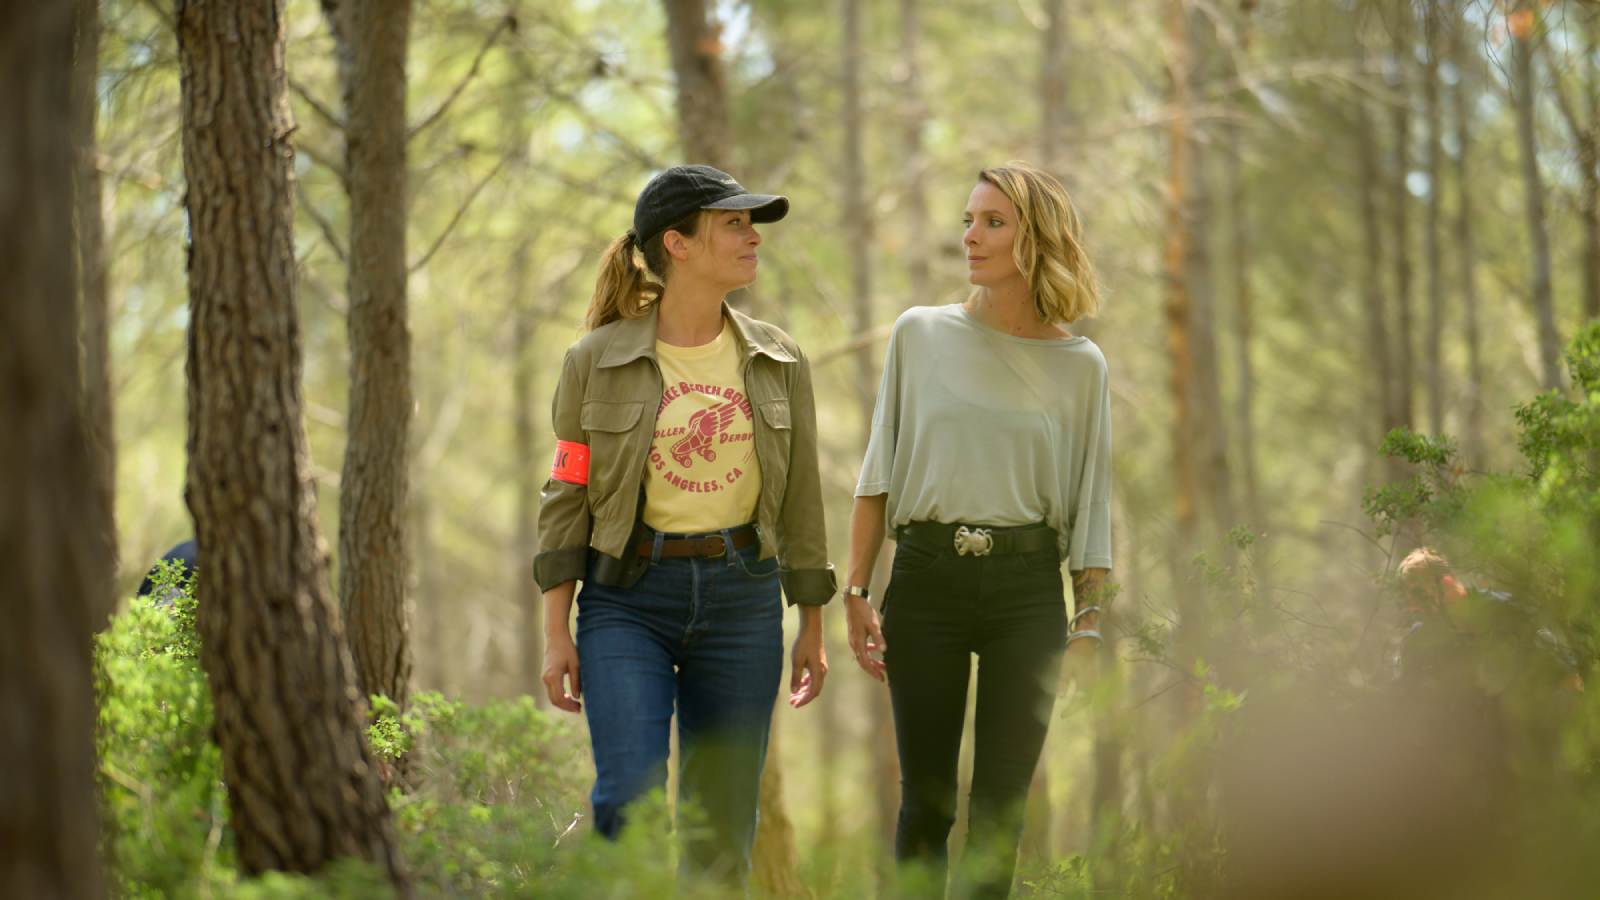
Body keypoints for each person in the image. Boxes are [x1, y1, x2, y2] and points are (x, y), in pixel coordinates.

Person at [534, 164, 835, 887]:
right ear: (678, 243)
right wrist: (555, 631)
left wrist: (812, 625)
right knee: (627, 802)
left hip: (743, 602)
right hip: (627, 601)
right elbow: (566, 495)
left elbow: (802, 496)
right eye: (733, 223)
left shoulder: (779, 358)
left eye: (751, 224)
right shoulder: (594, 359)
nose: (752, 237)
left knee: (723, 825)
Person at [842, 162, 1113, 898]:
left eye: (993, 223)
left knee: (999, 815)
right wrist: (856, 590)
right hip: (926, 580)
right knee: (926, 807)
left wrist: (1089, 619)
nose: (971, 236)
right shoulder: (919, 334)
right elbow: (878, 472)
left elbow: (1091, 502)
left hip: (1028, 592)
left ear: (1039, 238)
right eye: (968, 220)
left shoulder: (1081, 366)